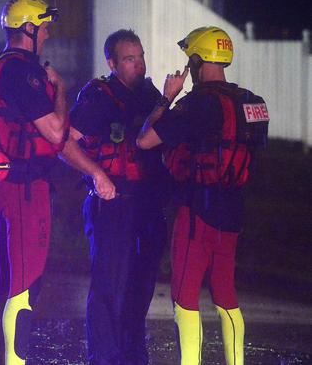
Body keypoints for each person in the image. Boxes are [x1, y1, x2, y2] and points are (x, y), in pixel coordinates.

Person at [136, 26, 269, 365]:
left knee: (185, 295)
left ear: (196, 61)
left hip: (196, 210)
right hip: (233, 210)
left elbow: (145, 140)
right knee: (226, 294)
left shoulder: (197, 104)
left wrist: (167, 97)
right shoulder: (253, 103)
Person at [62, 29, 169, 365]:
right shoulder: (97, 96)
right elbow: (65, 144)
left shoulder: (150, 93)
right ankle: (103, 358)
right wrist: (96, 174)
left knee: (141, 285)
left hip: (147, 205)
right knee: (110, 286)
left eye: (140, 57)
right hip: (112, 204)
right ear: (112, 63)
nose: (138, 65)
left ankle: (134, 355)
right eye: (129, 59)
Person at [0, 0, 66, 364]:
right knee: (25, 289)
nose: (49, 32)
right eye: (44, 27)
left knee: (8, 285)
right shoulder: (19, 72)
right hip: (25, 187)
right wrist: (61, 92)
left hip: (5, 184)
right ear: (29, 30)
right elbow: (55, 131)